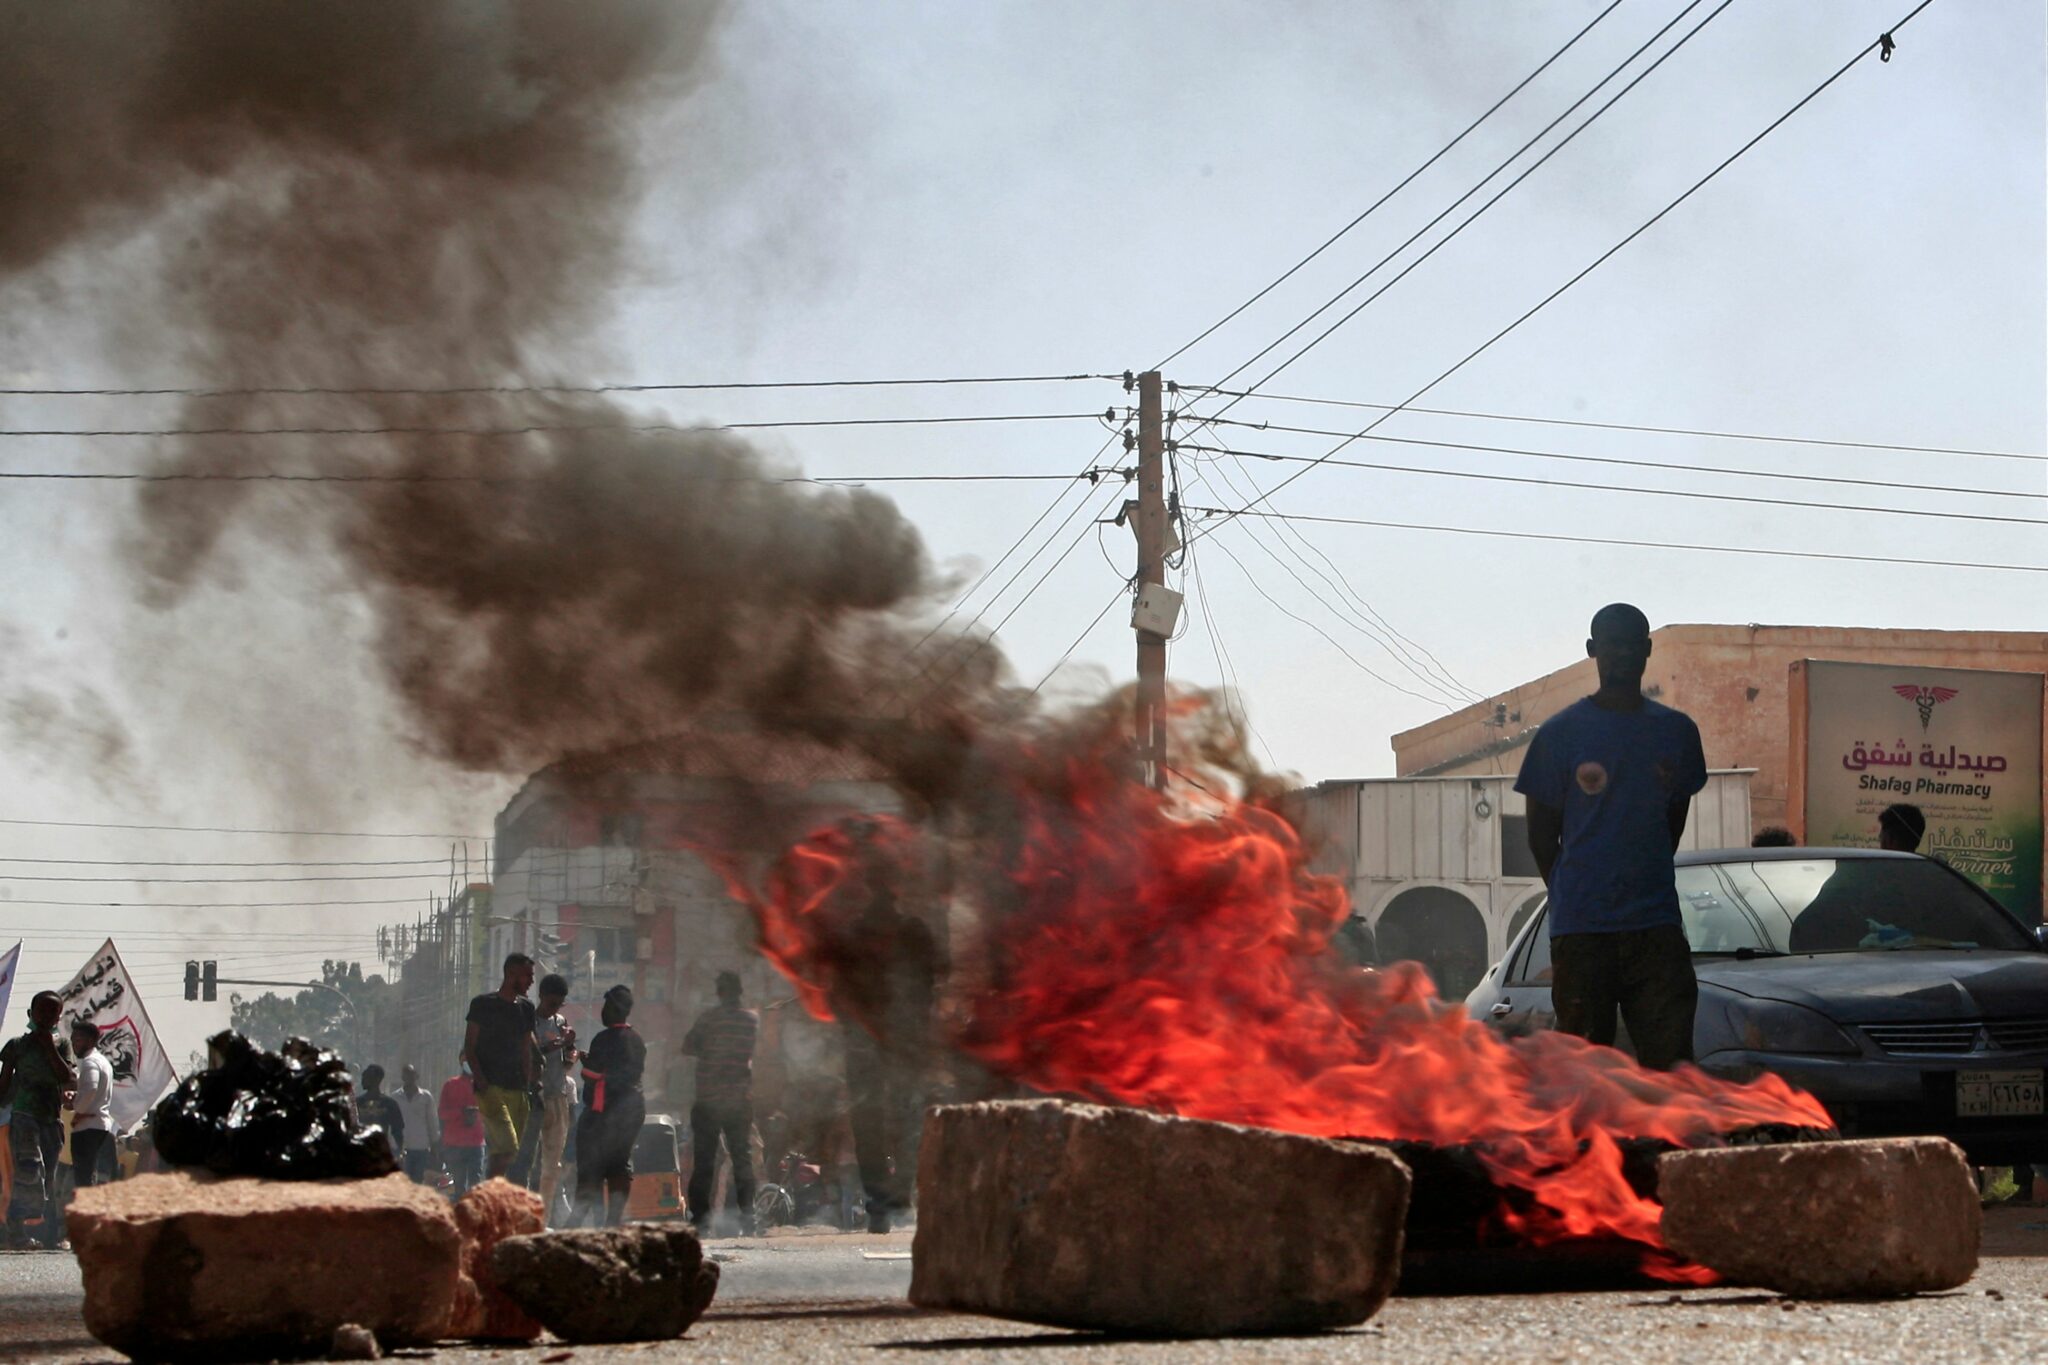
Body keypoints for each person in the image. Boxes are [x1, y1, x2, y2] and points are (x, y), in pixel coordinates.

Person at [1516, 604, 1708, 1071]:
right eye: (1611, 644)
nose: (1622, 653)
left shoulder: (1676, 733)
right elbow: (1542, 836)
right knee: (1586, 1072)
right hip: (1583, 934)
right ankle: (1587, 1147)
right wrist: (1572, 894)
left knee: (1672, 1067)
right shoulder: (1560, 735)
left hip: (1655, 930)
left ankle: (1672, 1146)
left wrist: (1645, 879)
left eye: (1632, 643)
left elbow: (1671, 822)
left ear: (1647, 649)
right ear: (1592, 651)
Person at [833, 875, 937, 1233]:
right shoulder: (915, 931)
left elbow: (837, 993)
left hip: (867, 1040)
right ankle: (901, 1196)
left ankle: (879, 1204)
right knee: (907, 1117)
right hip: (903, 1040)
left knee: (869, 1121)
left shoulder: (854, 935)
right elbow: (934, 979)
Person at [682, 971, 758, 1236]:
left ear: (720, 992)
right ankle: (748, 1216)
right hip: (739, 1100)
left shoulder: (708, 1019)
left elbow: (687, 1046)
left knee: (705, 1162)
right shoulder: (751, 1020)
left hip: (708, 1101)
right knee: (742, 1159)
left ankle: (701, 1220)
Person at [0, 991, 75, 1248]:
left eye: (52, 1012)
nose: (46, 1016)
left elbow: (67, 1077)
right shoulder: (17, 1045)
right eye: (42, 1011)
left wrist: (49, 1046)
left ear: (58, 1017)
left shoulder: (62, 1045)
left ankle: (48, 1234)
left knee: (48, 1176)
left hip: (50, 1118)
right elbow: (4, 1083)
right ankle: (16, 1231)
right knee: (29, 1168)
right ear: (31, 1014)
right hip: (24, 1115)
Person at [574, 985, 646, 1228]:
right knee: (619, 1162)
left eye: (605, 1007)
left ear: (615, 1009)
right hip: (632, 1109)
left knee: (592, 1163)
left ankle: (579, 1216)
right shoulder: (637, 1039)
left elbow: (591, 1074)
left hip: (605, 1111)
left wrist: (586, 1063)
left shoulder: (603, 1039)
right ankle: (612, 1219)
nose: (602, 1012)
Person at [463, 953, 538, 1179]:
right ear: (511, 975)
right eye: (527, 976)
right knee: (507, 1146)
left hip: (518, 1090)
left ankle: (491, 1199)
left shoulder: (526, 1008)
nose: (531, 981)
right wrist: (481, 1079)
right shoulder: (483, 1004)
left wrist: (528, 1083)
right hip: (491, 1088)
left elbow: (526, 1049)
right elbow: (469, 1046)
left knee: (504, 1153)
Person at [532, 974, 578, 1223]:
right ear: (541, 996)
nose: (554, 1008)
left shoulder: (561, 1022)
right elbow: (532, 1052)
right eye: (551, 1003)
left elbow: (568, 1058)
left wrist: (571, 1053)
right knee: (528, 1163)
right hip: (533, 1098)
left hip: (558, 1098)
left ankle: (543, 1220)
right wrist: (558, 1044)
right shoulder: (529, 1021)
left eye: (559, 1004)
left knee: (552, 1167)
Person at [66, 1020, 116, 1192]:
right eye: (72, 1039)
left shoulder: (90, 1062)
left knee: (84, 1182)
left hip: (87, 1130)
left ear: (90, 1041)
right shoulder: (103, 1062)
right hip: (102, 1128)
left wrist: (78, 1110)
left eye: (78, 1039)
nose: (73, 1043)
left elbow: (90, 1090)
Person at [438, 1067, 486, 1196]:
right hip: (455, 1144)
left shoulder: (483, 1085)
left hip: (476, 1142)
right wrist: (461, 1113)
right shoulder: (450, 1084)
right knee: (458, 1185)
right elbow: (442, 1113)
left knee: (475, 1184)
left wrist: (476, 1113)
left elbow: (490, 1111)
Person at [356, 1065, 405, 1161]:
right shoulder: (357, 1103)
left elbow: (397, 1130)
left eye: (366, 1076)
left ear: (376, 1079)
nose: (362, 1080)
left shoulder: (389, 1104)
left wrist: (399, 1152)